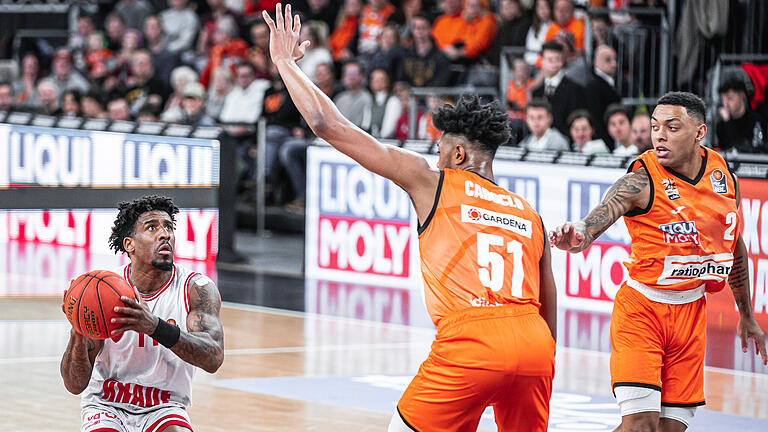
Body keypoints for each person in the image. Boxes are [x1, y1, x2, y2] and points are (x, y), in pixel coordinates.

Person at [263, 5, 557, 431]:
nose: (433, 156)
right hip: (535, 344)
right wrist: (543, 360)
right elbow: (549, 307)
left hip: (471, 339)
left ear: (457, 154)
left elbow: (328, 124)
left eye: (438, 149)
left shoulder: (434, 181)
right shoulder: (530, 215)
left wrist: (285, 63)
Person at [550, 92, 767, 432]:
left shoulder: (724, 177)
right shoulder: (641, 179)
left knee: (667, 430)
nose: (659, 135)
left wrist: (746, 314)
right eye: (654, 127)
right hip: (642, 310)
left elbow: (734, 243)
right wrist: (577, 235)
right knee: (641, 426)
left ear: (699, 132)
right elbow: (594, 222)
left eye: (671, 127)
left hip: (691, 315)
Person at [60, 195, 224, 432]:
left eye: (169, 227)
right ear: (130, 244)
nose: (165, 234)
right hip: (107, 405)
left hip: (165, 406)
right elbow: (74, 385)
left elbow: (214, 358)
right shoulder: (102, 293)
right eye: (152, 227)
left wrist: (154, 326)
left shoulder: (196, 288)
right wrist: (77, 331)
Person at [716, 78, 767, 154]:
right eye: (724, 99)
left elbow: (744, 147)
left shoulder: (757, 121)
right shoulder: (722, 125)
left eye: (730, 98)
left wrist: (728, 123)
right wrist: (728, 122)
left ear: (742, 96)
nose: (726, 104)